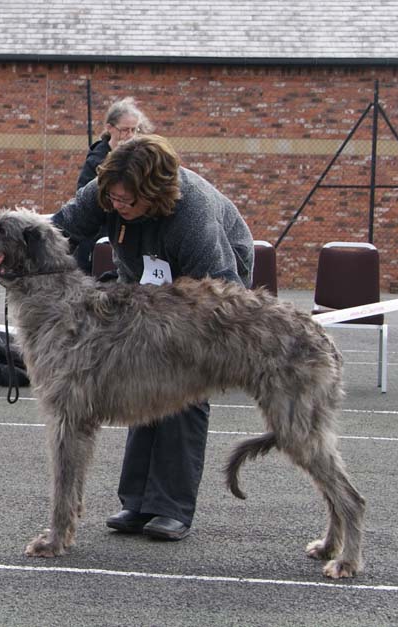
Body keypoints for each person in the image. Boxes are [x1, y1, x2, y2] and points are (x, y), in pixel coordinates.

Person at [53, 134, 253, 541]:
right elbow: (58, 231)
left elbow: (223, 289)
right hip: (141, 284)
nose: (116, 207)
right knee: (138, 382)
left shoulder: (193, 214)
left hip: (207, 288)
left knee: (182, 384)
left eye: (127, 201)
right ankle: (136, 503)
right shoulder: (105, 192)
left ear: (154, 193)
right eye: (112, 200)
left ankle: (171, 506)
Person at [74, 97, 154, 274]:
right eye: (125, 130)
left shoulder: (140, 159)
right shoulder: (96, 161)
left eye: (135, 130)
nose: (130, 135)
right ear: (110, 128)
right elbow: (84, 200)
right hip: (100, 240)